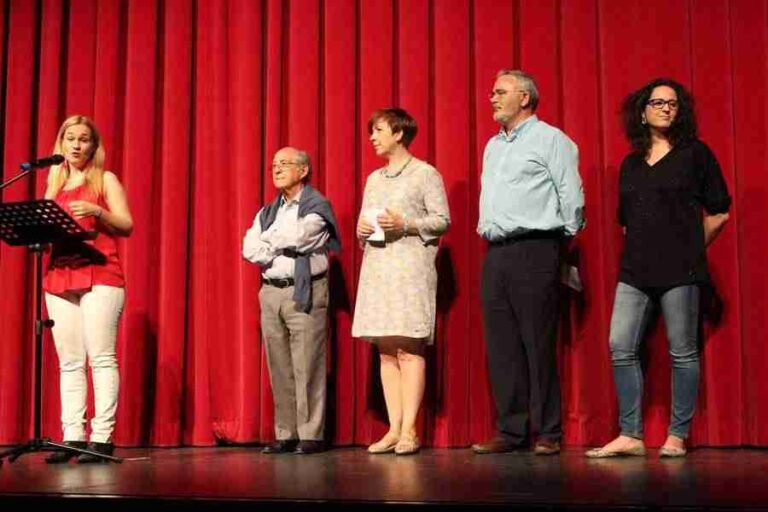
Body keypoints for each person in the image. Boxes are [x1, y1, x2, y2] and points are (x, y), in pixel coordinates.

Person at [586, 78, 730, 458]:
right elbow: (627, 222)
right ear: (642, 112)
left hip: (681, 269)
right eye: (658, 102)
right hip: (635, 270)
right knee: (620, 346)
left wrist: (690, 248)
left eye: (673, 103)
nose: (666, 108)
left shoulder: (695, 154)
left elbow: (719, 212)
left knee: (682, 351)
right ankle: (630, 435)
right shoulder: (631, 164)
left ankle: (677, 435)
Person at [473, 70, 585, 455]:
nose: (492, 98)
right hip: (496, 252)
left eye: (499, 91)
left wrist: (558, 244)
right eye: (492, 92)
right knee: (501, 345)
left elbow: (571, 196)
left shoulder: (552, 140)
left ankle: (548, 431)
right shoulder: (493, 145)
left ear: (524, 97)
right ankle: (511, 430)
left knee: (538, 342)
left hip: (536, 248)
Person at [353, 108, 450, 456]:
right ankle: (393, 429)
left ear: (399, 133)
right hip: (378, 269)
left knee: (409, 349)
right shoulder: (374, 179)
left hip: (410, 270)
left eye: (378, 130)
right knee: (385, 352)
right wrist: (362, 230)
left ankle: (410, 430)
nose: (372, 137)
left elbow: (442, 220)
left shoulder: (425, 174)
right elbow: (366, 226)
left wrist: (405, 224)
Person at [43, 115, 134, 463]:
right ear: (61, 143)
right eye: (70, 138)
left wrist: (98, 210)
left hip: (100, 274)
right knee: (70, 362)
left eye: (84, 139)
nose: (76, 145)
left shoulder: (105, 179)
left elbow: (126, 224)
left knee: (101, 357)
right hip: (60, 275)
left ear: (94, 146)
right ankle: (73, 437)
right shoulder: (54, 183)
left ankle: (101, 438)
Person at [243, 147, 340, 455]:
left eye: (285, 163)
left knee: (307, 363)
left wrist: (269, 240)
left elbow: (300, 237)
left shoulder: (316, 205)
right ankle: (286, 432)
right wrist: (276, 241)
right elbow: (249, 249)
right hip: (270, 291)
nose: (277, 168)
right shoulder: (267, 211)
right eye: (274, 164)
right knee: (279, 364)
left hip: (304, 290)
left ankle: (310, 433)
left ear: (303, 170)